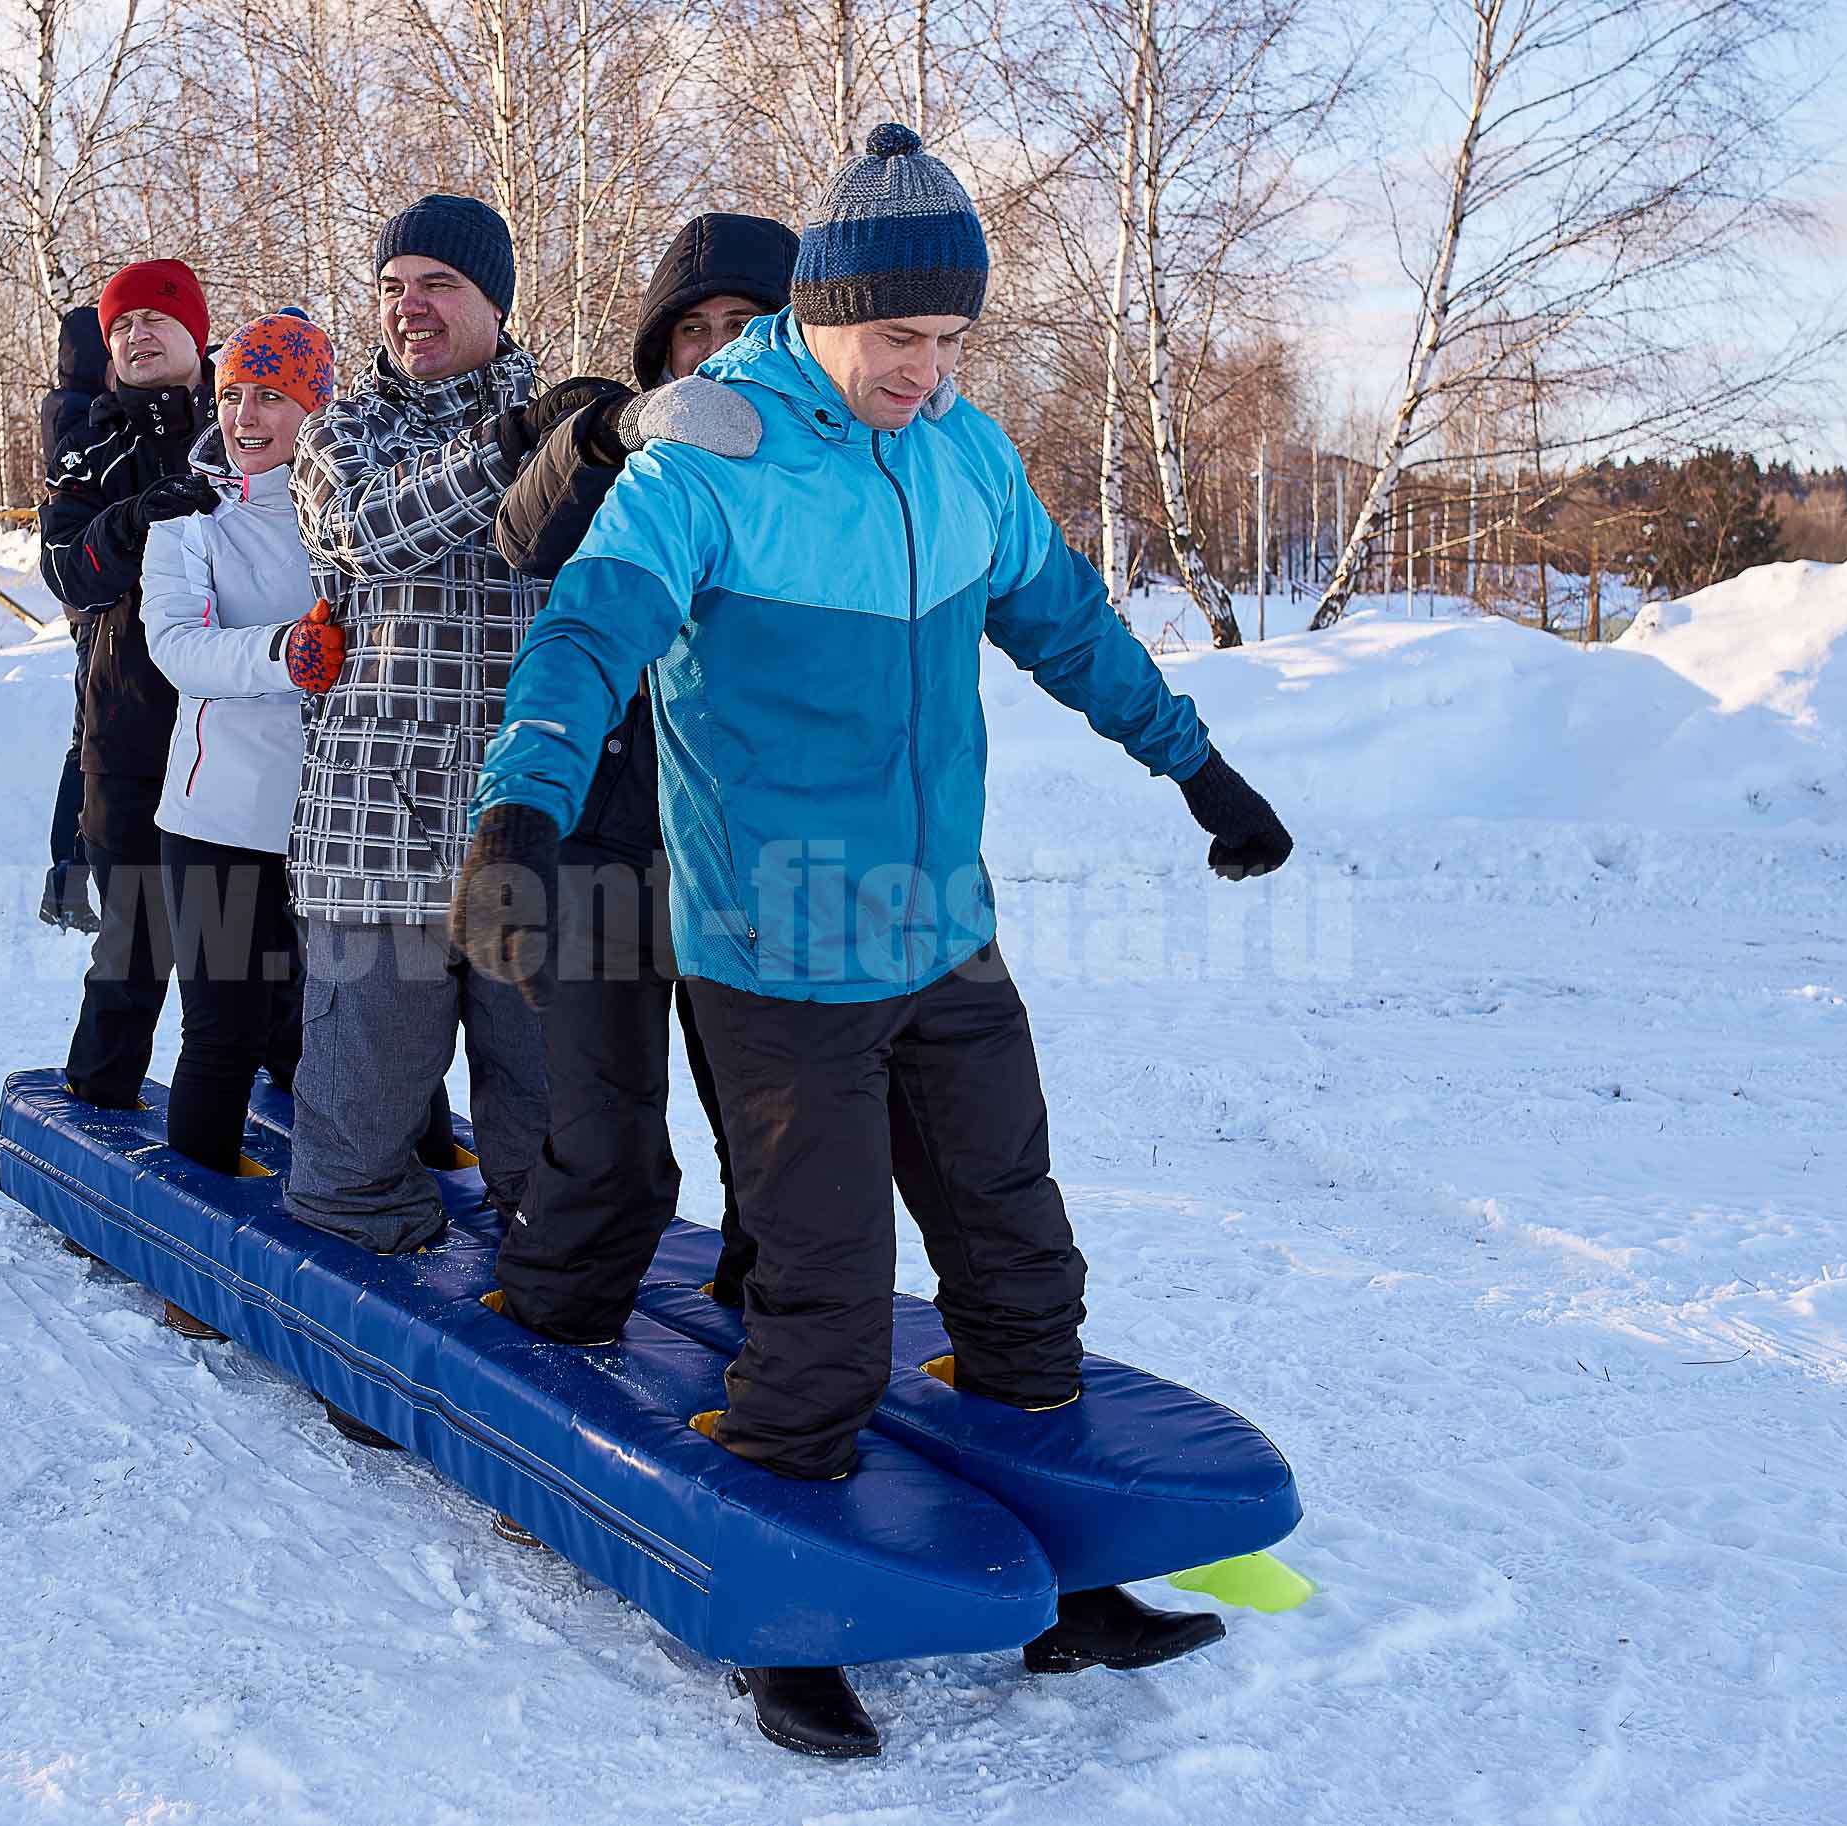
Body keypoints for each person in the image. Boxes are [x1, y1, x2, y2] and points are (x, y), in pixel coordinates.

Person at [455, 126, 1290, 1758]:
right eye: (897, 337)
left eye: (950, 338)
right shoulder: (716, 451)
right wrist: (520, 811)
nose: (925, 368)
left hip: (941, 928)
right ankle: (791, 1606)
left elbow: (1063, 623)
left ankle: (1072, 1576)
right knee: (825, 1285)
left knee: (1014, 1251)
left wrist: (1197, 766)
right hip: (775, 945)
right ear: (824, 316)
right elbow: (584, 635)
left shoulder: (963, 455)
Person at [280, 194, 620, 1260]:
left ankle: (546, 1309)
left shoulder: (571, 435)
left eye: (437, 285)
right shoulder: (345, 430)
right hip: (372, 836)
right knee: (360, 1116)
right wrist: (512, 443)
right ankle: (356, 1325)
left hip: (526, 828)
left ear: (494, 302)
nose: (407, 307)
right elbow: (365, 530)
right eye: (391, 287)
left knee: (546, 1121)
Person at [485, 212, 799, 1347]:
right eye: (690, 331)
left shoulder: (828, 470)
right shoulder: (616, 436)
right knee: (606, 1131)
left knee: (772, 1125)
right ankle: (555, 1344)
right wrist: (615, 428)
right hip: (601, 849)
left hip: (738, 850)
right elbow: (524, 534)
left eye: (744, 324)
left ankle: (781, 1340)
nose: (713, 351)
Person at [138, 309, 344, 1177]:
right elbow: (175, 643)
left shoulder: (351, 508)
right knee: (224, 1027)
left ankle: (370, 1176)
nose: (246, 417)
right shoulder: (190, 511)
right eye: (232, 395)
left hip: (335, 814)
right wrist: (283, 652)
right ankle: (194, 1237)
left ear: (315, 409)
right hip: (216, 817)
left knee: (341, 1020)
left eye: (272, 396)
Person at [39, 258, 218, 1111]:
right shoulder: (91, 445)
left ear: (198, 333)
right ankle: (100, 1106)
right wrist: (133, 521)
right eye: (121, 327)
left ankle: (297, 1106)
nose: (138, 335)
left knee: (257, 942)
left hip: (241, 728)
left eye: (156, 319)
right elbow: (68, 571)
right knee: (136, 941)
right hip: (130, 730)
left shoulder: (250, 422)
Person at [38, 302, 111, 935]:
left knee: (84, 738)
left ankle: (68, 877)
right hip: (92, 606)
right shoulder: (82, 419)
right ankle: (68, 876)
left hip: (84, 602)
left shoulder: (66, 408)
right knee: (87, 741)